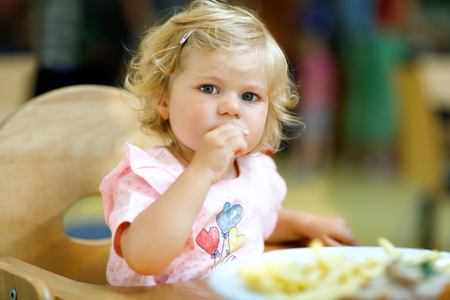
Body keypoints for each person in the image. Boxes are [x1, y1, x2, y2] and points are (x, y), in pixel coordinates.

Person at [99, 0, 357, 286]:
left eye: (249, 96)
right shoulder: (147, 175)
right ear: (163, 99)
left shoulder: (254, 170)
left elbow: (250, 222)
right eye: (209, 88)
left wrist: (308, 224)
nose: (232, 107)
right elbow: (144, 257)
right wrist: (201, 172)